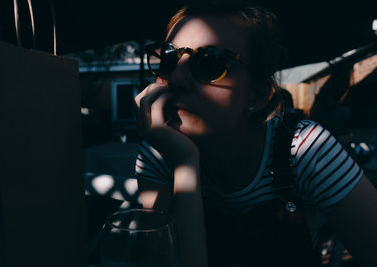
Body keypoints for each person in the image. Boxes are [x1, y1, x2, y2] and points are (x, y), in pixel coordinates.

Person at [134, 1, 377, 266]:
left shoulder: (303, 148)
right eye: (169, 59)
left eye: (210, 62)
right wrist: (184, 165)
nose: (177, 78)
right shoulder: (160, 150)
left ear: (258, 94)